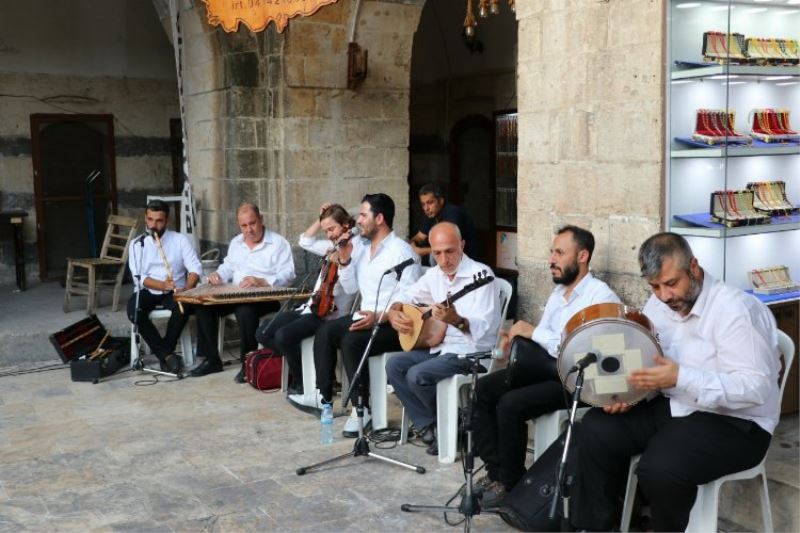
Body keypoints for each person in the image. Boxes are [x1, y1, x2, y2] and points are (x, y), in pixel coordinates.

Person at [570, 232, 781, 532]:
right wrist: (631, 393)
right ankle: (598, 527)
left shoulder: (735, 311)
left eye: (671, 283)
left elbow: (755, 388)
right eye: (655, 286)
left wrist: (681, 377)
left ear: (693, 267)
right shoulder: (658, 305)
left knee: (660, 467)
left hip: (738, 422)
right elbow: (650, 360)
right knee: (596, 428)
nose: (664, 296)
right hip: (678, 405)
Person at [472, 225, 621, 507]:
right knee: (483, 389)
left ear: (583, 256)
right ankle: (498, 474)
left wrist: (532, 332)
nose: (551, 259)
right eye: (552, 251)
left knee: (510, 404)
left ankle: (511, 482)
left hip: (576, 379)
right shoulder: (559, 293)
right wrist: (513, 342)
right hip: (545, 368)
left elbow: (581, 352)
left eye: (559, 252)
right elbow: (542, 339)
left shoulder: (600, 297)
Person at [386, 222, 500, 456]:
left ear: (462, 245)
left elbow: (487, 328)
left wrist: (457, 320)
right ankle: (432, 426)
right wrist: (394, 309)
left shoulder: (482, 275)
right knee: (394, 365)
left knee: (417, 375)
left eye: (449, 251)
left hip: (471, 353)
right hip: (443, 349)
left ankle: (449, 426)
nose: (444, 259)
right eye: (437, 252)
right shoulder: (435, 274)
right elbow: (407, 293)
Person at [312, 193, 420, 437]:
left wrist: (379, 316)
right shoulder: (361, 248)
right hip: (366, 317)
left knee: (351, 339)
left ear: (379, 218)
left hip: (393, 323)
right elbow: (350, 288)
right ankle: (325, 398)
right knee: (326, 330)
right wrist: (345, 258)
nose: (358, 220)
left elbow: (410, 299)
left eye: (363, 215)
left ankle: (362, 408)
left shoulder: (401, 252)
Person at [256, 203, 361, 398]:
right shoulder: (332, 246)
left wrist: (344, 260)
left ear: (345, 225)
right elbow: (305, 241)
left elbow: (351, 288)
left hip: (329, 314)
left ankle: (302, 380)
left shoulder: (356, 250)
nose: (329, 234)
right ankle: (305, 369)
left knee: (283, 336)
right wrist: (320, 217)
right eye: (326, 230)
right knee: (263, 332)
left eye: (332, 229)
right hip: (312, 307)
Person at [190, 203, 296, 378]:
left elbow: (289, 274)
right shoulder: (236, 243)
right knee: (204, 305)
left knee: (245, 311)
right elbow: (228, 267)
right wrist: (217, 275)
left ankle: (248, 363)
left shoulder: (278, 243)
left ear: (261, 219)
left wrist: (262, 281)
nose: (249, 230)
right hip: (236, 295)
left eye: (252, 223)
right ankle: (212, 360)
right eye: (244, 226)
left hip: (265, 299)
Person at [127, 199, 202, 374]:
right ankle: (168, 355)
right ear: (146, 218)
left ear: (166, 220)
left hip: (175, 290)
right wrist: (161, 285)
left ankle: (165, 354)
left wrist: (188, 287)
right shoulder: (137, 244)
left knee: (183, 307)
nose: (154, 225)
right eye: (150, 219)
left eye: (159, 221)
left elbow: (195, 268)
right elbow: (139, 277)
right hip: (148, 290)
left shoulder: (179, 240)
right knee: (134, 311)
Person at [410, 183, 478, 262]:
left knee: (433, 257)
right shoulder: (431, 214)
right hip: (449, 260)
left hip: (466, 261)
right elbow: (419, 237)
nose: (426, 208)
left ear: (441, 201)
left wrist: (422, 251)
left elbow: (448, 245)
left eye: (430, 203)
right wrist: (413, 244)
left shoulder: (453, 213)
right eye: (423, 204)